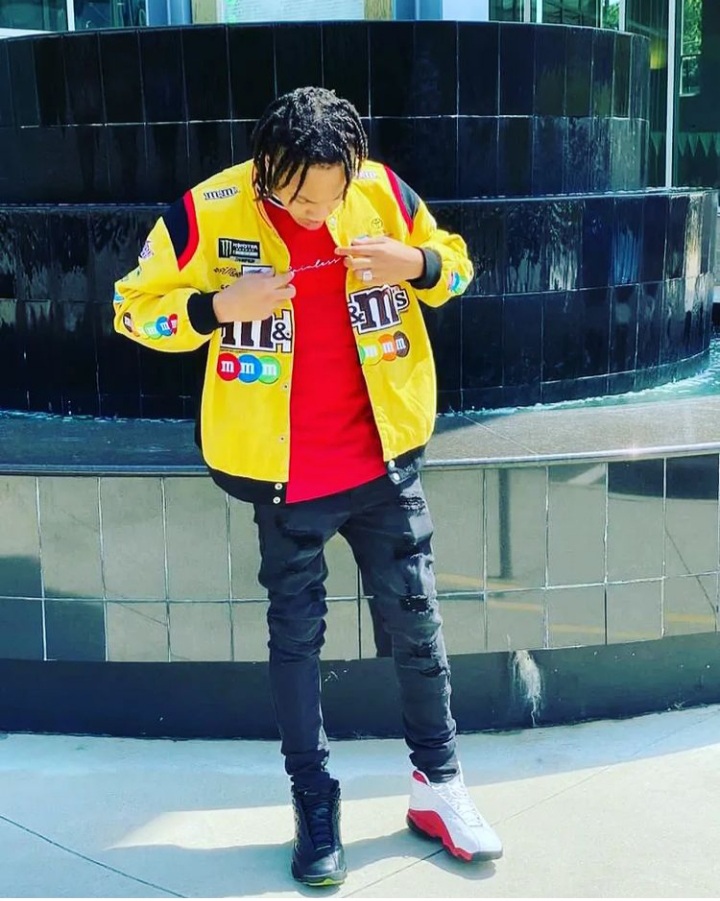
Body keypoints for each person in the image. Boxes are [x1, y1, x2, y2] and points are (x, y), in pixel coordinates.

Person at [113, 85, 502, 887]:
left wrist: (416, 263)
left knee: (418, 623)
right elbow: (131, 309)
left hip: (384, 462)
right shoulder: (208, 212)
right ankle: (314, 801)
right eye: (299, 199)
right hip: (285, 478)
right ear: (266, 167)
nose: (319, 214)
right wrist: (218, 305)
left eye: (332, 196)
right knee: (297, 639)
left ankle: (440, 784)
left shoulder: (381, 191)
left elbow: (458, 267)